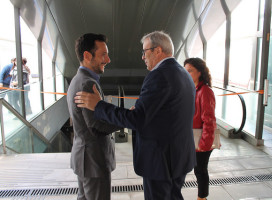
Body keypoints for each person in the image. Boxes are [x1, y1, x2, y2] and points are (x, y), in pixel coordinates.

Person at [74, 31, 196, 200]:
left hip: (161, 161)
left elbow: (138, 119)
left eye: (145, 51)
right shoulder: (183, 74)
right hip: (179, 157)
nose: (142, 57)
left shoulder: (158, 76)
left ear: (158, 50)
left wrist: (99, 106)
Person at [67, 33, 121, 200]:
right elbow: (97, 127)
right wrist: (126, 118)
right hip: (94, 162)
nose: (108, 59)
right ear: (87, 55)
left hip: (85, 159)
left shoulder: (77, 79)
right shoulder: (87, 83)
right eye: (103, 54)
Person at [184, 58, 216, 200]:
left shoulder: (205, 91)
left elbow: (209, 120)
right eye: (185, 71)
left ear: (200, 72)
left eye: (190, 71)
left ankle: (202, 197)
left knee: (200, 170)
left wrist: (205, 144)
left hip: (202, 139)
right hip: (191, 137)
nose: (187, 74)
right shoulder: (191, 89)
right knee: (191, 168)